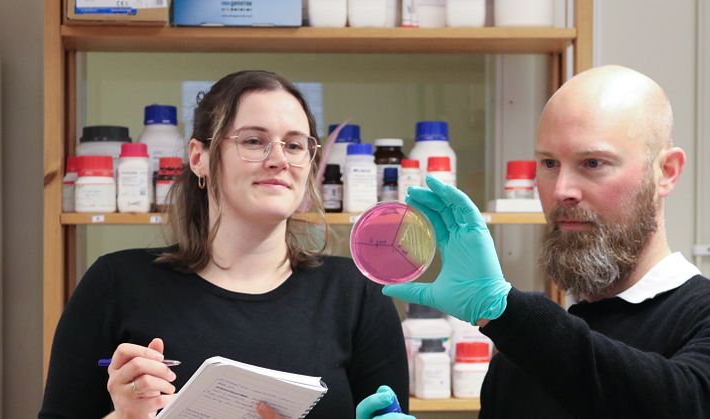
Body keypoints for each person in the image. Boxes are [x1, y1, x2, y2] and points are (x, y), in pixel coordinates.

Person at [39, 70, 409, 418]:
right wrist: (125, 416)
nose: (279, 160)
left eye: (295, 145)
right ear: (199, 157)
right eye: (253, 141)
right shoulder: (115, 283)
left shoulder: (356, 293)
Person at [359, 65, 710, 418]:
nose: (561, 191)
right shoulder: (520, 357)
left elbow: (682, 402)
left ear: (666, 172)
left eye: (592, 162)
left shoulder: (698, 317)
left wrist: (503, 310)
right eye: (549, 163)